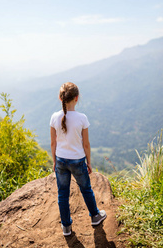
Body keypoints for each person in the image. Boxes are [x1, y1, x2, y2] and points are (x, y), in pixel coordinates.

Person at [50, 82, 106, 236]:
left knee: (62, 194)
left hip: (61, 159)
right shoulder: (82, 118)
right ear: (76, 98)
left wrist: (54, 161)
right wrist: (89, 162)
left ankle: (66, 227)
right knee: (86, 189)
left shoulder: (54, 117)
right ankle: (95, 216)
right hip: (78, 160)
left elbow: (53, 142)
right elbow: (86, 144)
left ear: (60, 97)